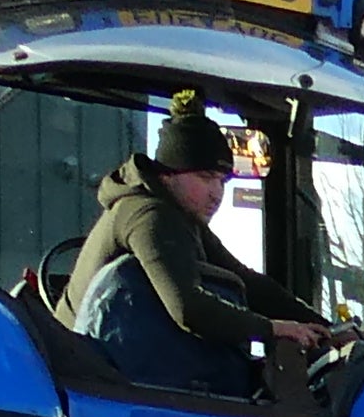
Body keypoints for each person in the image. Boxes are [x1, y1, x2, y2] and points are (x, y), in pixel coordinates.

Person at [69, 97, 321, 399]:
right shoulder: (150, 215)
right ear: (167, 175)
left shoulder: (183, 217)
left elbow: (247, 282)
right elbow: (188, 308)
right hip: (88, 380)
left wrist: (322, 327)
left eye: (222, 181)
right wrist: (274, 329)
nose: (216, 193)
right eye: (205, 178)